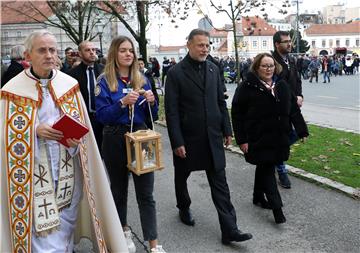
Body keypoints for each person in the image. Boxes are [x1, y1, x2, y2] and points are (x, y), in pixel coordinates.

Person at [0, 30, 127, 252]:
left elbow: (81, 123)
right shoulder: (12, 90)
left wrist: (76, 139)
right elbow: (5, 133)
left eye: (52, 50)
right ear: (28, 55)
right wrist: (33, 130)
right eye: (42, 50)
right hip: (33, 170)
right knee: (40, 227)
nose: (49, 55)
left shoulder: (68, 84)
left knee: (66, 220)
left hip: (67, 164)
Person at [165, 28, 252, 245]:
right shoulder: (175, 73)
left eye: (207, 45)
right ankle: (183, 207)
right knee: (181, 178)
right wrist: (177, 141)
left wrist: (227, 130)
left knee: (220, 185)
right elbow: (171, 111)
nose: (205, 49)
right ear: (189, 45)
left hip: (212, 137)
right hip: (188, 139)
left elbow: (221, 102)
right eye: (200, 45)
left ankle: (230, 229)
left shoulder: (214, 69)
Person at [95, 36, 165, 253]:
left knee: (146, 192)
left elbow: (151, 115)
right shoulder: (105, 80)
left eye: (131, 51)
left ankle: (153, 243)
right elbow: (102, 116)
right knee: (119, 190)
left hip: (141, 137)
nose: (128, 54)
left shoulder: (141, 78)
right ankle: (123, 231)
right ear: (114, 54)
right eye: (123, 50)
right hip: (115, 138)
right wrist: (122, 104)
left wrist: (152, 102)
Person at [231, 53, 309, 224]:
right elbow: (237, 115)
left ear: (276, 67)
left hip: (279, 136)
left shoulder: (282, 85)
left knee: (266, 165)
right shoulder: (247, 87)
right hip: (258, 137)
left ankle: (257, 196)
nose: (268, 69)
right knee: (267, 168)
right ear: (257, 67)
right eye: (264, 66)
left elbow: (293, 110)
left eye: (271, 65)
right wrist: (242, 139)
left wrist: (302, 131)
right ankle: (277, 209)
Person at [272, 30, 303, 189]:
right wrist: (293, 97)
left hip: (293, 106)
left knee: (298, 132)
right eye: (286, 42)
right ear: (277, 44)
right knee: (282, 137)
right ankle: (281, 170)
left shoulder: (291, 60)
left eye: (290, 41)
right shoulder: (272, 61)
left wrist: (300, 95)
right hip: (279, 108)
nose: (290, 44)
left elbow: (297, 80)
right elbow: (279, 85)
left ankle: (273, 154)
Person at [68, 41, 104, 154]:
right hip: (85, 119)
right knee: (89, 153)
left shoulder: (105, 71)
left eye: (94, 50)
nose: (92, 52)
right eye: (88, 50)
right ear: (80, 53)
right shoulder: (72, 74)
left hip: (104, 118)